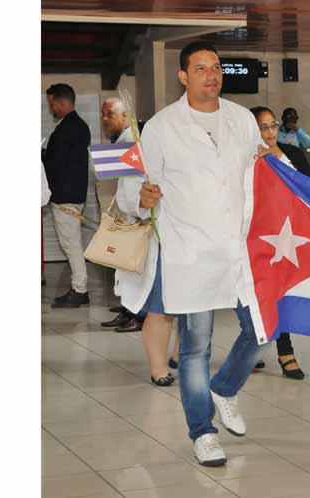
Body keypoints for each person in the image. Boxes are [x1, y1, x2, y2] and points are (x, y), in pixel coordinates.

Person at [115, 41, 271, 467]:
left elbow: (263, 172)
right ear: (183, 76)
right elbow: (132, 187)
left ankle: (225, 387)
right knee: (196, 347)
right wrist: (141, 198)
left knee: (262, 329)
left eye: (216, 67)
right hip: (191, 249)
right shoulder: (162, 126)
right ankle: (203, 432)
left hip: (240, 248)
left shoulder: (242, 120)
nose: (211, 75)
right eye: (200, 68)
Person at [250, 105, 310, 380]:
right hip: (260, 234)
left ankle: (281, 349)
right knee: (262, 293)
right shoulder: (247, 159)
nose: (270, 132)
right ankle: (261, 346)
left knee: (283, 292)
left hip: (291, 236)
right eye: (263, 127)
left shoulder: (293, 154)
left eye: (273, 125)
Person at [98, 98, 149, 334]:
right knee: (125, 269)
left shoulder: (136, 140)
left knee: (138, 270)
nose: (104, 119)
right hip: (128, 215)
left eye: (109, 114)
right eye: (103, 114)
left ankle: (139, 315)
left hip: (139, 216)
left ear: (125, 116)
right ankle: (128, 311)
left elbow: (143, 180)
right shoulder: (123, 140)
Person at [44, 83, 92, 308]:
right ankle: (80, 289)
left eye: (52, 104)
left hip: (66, 196)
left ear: (62, 102)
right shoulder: (77, 125)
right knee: (73, 243)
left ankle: (79, 290)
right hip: (73, 193)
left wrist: (41, 157)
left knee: (71, 245)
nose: (51, 108)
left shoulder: (68, 128)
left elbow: (57, 163)